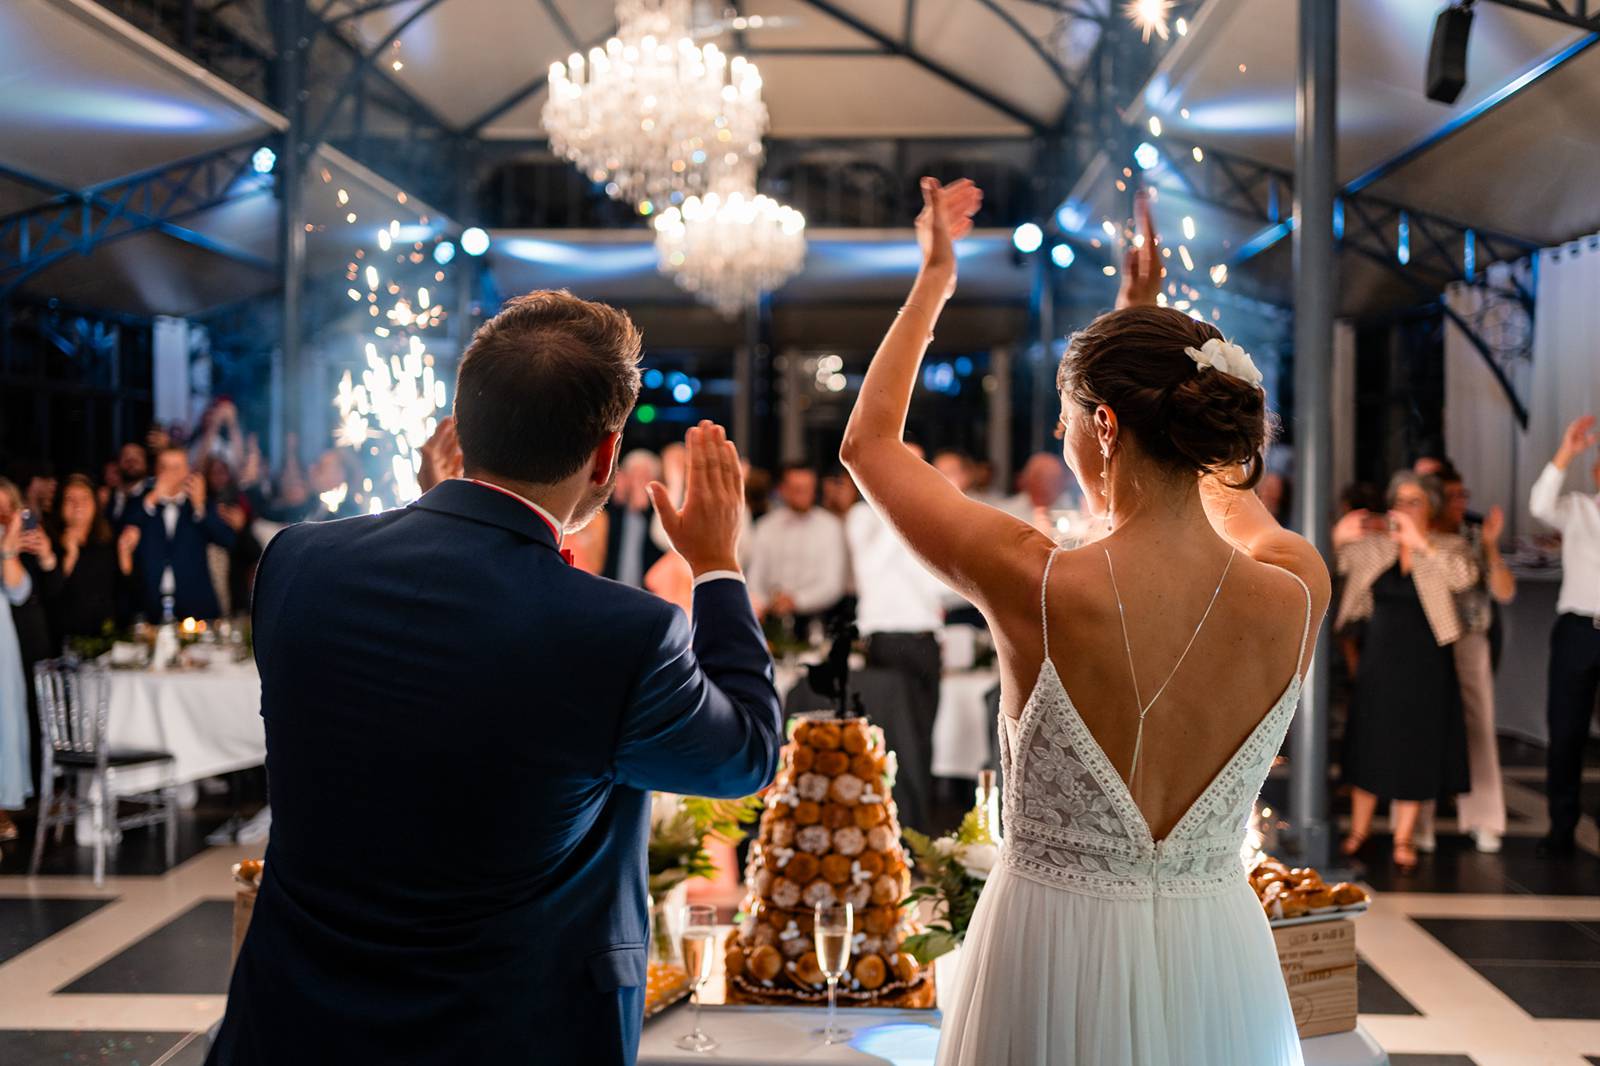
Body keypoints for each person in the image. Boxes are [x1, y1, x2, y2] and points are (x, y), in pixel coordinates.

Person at [207, 290, 782, 1066]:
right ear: (605, 456)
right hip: (506, 1032)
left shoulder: (296, 564)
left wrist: (432, 509)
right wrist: (716, 565)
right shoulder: (623, 633)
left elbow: (413, 699)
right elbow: (745, 756)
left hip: (292, 1027)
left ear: (462, 424)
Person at [842, 180, 1329, 1065]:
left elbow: (869, 446)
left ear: (1101, 426)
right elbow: (1214, 493)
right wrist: (1140, 331)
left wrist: (935, 279)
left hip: (1050, 951)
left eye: (1073, 423)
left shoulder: (1035, 585)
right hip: (1216, 956)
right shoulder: (1297, 587)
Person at [1333, 471, 1477, 872]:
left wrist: (1423, 544)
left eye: (1415, 501)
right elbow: (1335, 561)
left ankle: (1403, 837)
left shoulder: (1449, 546)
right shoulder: (1376, 547)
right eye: (1401, 500)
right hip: (1379, 659)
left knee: (1417, 744)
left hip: (1427, 661)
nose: (1406, 508)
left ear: (1429, 508)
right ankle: (1359, 830)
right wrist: (1337, 537)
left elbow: (1465, 578)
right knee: (1369, 737)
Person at [846, 444, 949, 830]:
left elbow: (940, 583)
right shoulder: (861, 517)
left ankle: (918, 830)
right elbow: (869, 568)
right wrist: (900, 503)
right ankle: (887, 830)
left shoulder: (931, 516)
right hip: (885, 642)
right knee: (888, 741)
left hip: (925, 641)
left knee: (923, 739)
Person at [1431, 468, 1516, 853]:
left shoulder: (1476, 534)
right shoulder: (1422, 533)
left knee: (1478, 727)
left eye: (1463, 494)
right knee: (1426, 728)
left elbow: (1505, 592)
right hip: (1425, 642)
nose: (1461, 503)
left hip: (1469, 639)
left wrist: (1493, 548)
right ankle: (1418, 822)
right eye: (1453, 496)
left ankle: (1484, 819)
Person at [1528, 414, 1600, 857]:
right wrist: (1565, 452)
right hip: (1578, 629)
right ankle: (1561, 827)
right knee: (1567, 730)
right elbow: (1539, 505)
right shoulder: (1577, 508)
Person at [122, 446, 236, 621]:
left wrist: (200, 507)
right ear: (156, 471)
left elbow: (228, 540)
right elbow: (124, 531)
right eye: (164, 467)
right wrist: (152, 499)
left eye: (176, 468)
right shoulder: (141, 503)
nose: (170, 474)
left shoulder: (200, 502)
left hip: (196, 607)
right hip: (151, 608)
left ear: (187, 471)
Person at [745, 463, 850, 634]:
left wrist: (797, 601)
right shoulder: (766, 527)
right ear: (783, 489)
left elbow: (832, 584)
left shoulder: (830, 527)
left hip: (815, 621)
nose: (803, 495)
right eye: (797, 489)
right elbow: (755, 577)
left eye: (807, 489)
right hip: (769, 619)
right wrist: (766, 602)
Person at [34, 474, 134, 647]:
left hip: (106, 640)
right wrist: (70, 556)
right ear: (60, 506)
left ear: (95, 504)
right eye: (70, 499)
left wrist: (125, 557)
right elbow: (48, 595)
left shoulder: (109, 542)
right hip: (65, 642)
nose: (78, 505)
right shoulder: (48, 543)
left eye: (84, 498)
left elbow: (127, 594)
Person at [0, 482, 37, 842]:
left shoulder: (10, 540)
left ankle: (1, 809)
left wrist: (8, 548)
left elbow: (18, 590)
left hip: (2, 643)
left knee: (4, 720)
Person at [601, 449, 664, 587]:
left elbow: (660, 550)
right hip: (609, 588)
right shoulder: (611, 513)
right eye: (634, 474)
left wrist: (644, 511)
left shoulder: (659, 518)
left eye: (645, 475)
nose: (639, 481)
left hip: (648, 596)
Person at [108, 442, 152, 527]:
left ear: (146, 464)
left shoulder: (153, 496)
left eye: (137, 456)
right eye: (126, 455)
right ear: (118, 463)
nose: (131, 461)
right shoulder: (108, 497)